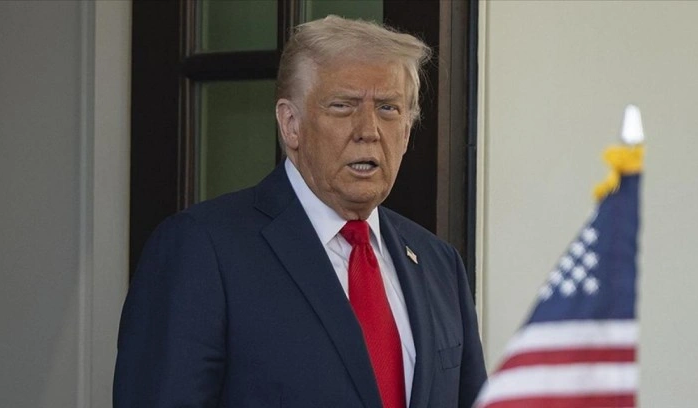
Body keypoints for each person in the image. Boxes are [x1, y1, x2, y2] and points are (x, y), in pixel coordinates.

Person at [114, 15, 486, 408]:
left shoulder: (439, 263)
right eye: (343, 106)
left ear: (407, 132)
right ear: (291, 124)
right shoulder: (202, 249)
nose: (369, 130)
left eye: (388, 108)